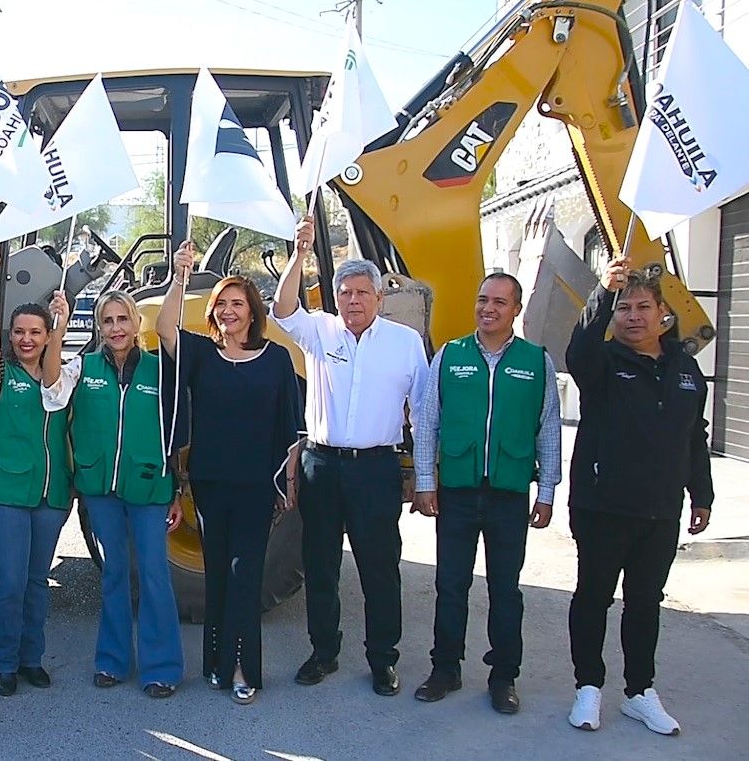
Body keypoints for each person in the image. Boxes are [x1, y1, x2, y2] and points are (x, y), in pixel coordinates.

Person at [271, 217, 428, 698]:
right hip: (323, 466)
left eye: (363, 293)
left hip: (376, 468)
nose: (354, 301)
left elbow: (422, 411)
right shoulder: (319, 332)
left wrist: (423, 479)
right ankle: (323, 652)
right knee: (320, 567)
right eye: (345, 293)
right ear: (334, 298)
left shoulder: (405, 343)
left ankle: (383, 660)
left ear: (380, 298)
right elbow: (281, 308)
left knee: (380, 568)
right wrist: (299, 253)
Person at [564, 259, 713, 736]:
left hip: (660, 510)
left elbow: (695, 437)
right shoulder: (602, 361)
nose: (632, 316)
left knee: (646, 602)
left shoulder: (686, 369)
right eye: (623, 308)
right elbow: (577, 350)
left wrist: (701, 493)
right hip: (602, 505)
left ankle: (639, 692)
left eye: (642, 306)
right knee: (593, 598)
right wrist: (601, 294)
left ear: (662, 314)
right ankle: (588, 687)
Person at [409, 273, 561, 714]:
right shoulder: (450, 355)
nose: (487, 308)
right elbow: (427, 421)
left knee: (505, 590)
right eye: (482, 300)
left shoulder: (536, 362)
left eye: (499, 301)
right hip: (457, 489)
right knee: (450, 586)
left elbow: (548, 428)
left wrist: (547, 489)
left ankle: (503, 677)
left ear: (516, 310)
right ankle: (445, 669)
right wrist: (424, 481)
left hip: (508, 494)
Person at [157, 243, 302, 705]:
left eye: (236, 303)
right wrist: (181, 277)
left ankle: (244, 667)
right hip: (211, 484)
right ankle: (217, 665)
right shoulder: (201, 354)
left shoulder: (276, 358)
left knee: (245, 575)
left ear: (252, 310)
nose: (228, 310)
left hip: (258, 485)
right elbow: (164, 328)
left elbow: (292, 424)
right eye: (221, 303)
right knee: (218, 573)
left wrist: (290, 483)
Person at [42, 289, 185, 699]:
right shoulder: (83, 367)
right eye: (108, 321)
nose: (116, 328)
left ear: (136, 323)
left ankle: (162, 667)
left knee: (155, 574)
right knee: (115, 573)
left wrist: (177, 488)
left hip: (149, 486)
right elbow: (52, 389)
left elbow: (177, 433)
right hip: (101, 489)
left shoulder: (160, 371)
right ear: (99, 328)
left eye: (123, 320)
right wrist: (58, 327)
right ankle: (112, 660)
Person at [0, 246, 72, 697]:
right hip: (9, 496)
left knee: (36, 583)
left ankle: (33, 658)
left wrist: (62, 320)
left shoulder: (57, 378)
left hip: (51, 498)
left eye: (36, 331)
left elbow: (54, 360)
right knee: (10, 582)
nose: (27, 339)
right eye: (20, 332)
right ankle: (6, 663)